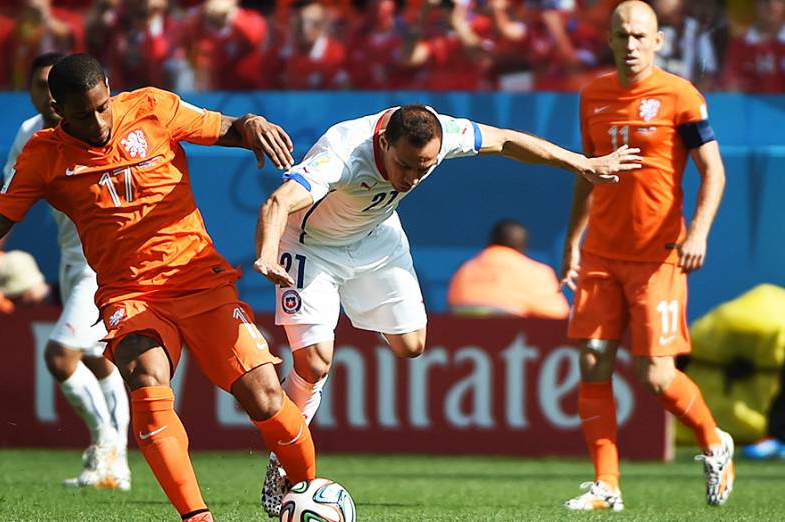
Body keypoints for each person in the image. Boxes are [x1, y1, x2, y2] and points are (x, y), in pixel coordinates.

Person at [0, 53, 314, 522]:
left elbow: (227, 128)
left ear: (110, 89)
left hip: (198, 278)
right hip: (128, 295)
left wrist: (252, 124)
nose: (97, 122)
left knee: (266, 398)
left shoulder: (153, 106)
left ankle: (307, 490)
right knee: (146, 381)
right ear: (57, 109)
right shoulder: (42, 155)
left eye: (102, 106)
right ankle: (196, 517)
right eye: (81, 114)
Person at [253, 103, 641, 516]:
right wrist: (264, 254)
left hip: (374, 238)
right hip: (310, 247)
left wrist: (580, 163)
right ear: (384, 142)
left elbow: (508, 140)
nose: (412, 178)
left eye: (424, 166)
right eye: (404, 165)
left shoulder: (446, 133)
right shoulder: (345, 152)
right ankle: (285, 454)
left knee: (412, 345)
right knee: (315, 363)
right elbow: (277, 202)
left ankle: (343, 312)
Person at [560, 1, 731, 511]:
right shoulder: (593, 94)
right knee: (592, 360)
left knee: (655, 374)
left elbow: (714, 172)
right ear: (609, 40)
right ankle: (606, 486)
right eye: (621, 35)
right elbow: (587, 173)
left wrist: (697, 233)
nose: (630, 45)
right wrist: (572, 240)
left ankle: (713, 441)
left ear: (659, 41)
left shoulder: (681, 96)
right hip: (600, 253)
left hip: (658, 256)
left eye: (639, 35)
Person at [0, 51, 132, 490]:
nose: (46, 96)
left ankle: (107, 442)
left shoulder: (98, 128)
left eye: (48, 85)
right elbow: (7, 198)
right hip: (70, 260)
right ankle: (118, 466)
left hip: (101, 264)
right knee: (97, 358)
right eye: (38, 86)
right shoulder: (29, 135)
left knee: (60, 356)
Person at [446, 219, 569, 318]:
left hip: (462, 342)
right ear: (524, 246)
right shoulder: (538, 273)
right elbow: (559, 314)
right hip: (515, 343)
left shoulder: (463, 270)